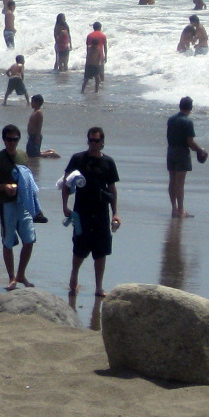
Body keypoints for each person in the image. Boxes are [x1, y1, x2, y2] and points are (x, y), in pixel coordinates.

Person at [61, 126, 120, 298]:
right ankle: (74, 277)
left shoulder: (108, 162)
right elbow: (66, 183)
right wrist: (65, 206)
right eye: (91, 140)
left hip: (101, 212)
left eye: (96, 140)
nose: (93, 143)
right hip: (81, 212)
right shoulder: (78, 159)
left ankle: (99, 287)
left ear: (102, 142)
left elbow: (113, 189)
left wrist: (115, 213)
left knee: (100, 251)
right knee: (79, 248)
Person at [0, 124, 38, 290]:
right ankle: (11, 277)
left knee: (29, 240)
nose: (12, 142)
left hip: (22, 204)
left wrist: (34, 201)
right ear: (4, 140)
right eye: (9, 139)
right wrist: (5, 187)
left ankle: (21, 274)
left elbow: (28, 179)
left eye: (15, 139)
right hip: (6, 204)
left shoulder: (23, 156)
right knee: (8, 241)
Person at [165, 96, 207, 218]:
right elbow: (190, 142)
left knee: (172, 181)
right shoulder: (188, 122)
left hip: (171, 150)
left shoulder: (171, 119)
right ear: (190, 108)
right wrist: (201, 151)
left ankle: (174, 209)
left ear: (180, 106)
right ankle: (181, 210)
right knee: (180, 183)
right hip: (182, 153)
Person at [81, 22, 107, 93]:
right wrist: (106, 56)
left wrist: (87, 58)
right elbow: (105, 47)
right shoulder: (103, 35)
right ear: (100, 27)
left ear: (93, 27)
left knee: (86, 78)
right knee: (100, 75)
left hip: (90, 59)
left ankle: (83, 90)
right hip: (99, 57)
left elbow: (87, 48)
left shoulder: (89, 35)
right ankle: (100, 89)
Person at [25, 94, 45, 163]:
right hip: (31, 136)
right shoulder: (35, 111)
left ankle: (52, 154)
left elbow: (39, 126)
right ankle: (49, 151)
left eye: (32, 102)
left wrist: (37, 136)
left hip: (35, 136)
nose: (31, 103)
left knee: (34, 155)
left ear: (37, 103)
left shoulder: (38, 113)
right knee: (30, 153)